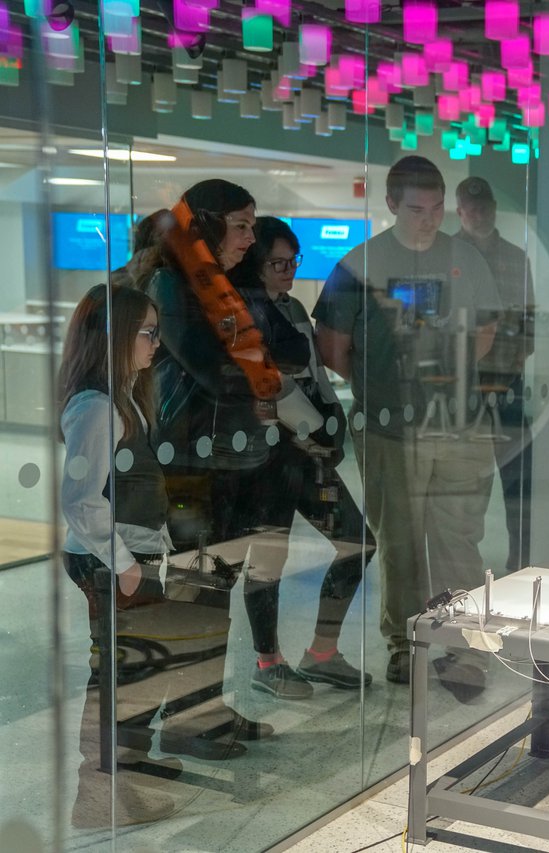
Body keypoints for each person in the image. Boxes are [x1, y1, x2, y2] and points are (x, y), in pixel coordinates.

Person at [313, 156, 501, 688]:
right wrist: (383, 387)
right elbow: (332, 348)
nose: (429, 218)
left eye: (438, 207)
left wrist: (450, 376)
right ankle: (405, 642)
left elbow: (486, 332)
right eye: (417, 209)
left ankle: (464, 644)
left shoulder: (466, 260)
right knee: (399, 540)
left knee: (458, 539)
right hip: (391, 428)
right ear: (392, 205)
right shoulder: (360, 265)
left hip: (459, 424)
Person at [142, 179, 310, 713]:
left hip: (238, 455)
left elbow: (288, 347)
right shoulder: (172, 284)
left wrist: (260, 371)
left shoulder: (231, 286)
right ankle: (192, 715)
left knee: (229, 580)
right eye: (240, 225)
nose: (249, 238)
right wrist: (262, 375)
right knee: (199, 590)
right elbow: (214, 373)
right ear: (206, 225)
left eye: (252, 226)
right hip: (190, 460)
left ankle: (212, 709)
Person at [227, 216, 373, 692]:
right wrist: (309, 427)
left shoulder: (290, 310)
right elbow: (264, 386)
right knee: (269, 558)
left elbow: (313, 374)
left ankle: (322, 652)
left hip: (306, 455)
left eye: (294, 261)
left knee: (358, 542)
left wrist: (327, 427)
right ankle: (268, 663)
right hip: (265, 457)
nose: (288, 270)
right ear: (256, 265)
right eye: (277, 262)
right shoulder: (240, 314)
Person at [59, 284, 176, 827]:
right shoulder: (98, 407)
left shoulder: (123, 398)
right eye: (147, 332)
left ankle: (125, 777)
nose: (155, 343)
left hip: (129, 554)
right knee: (119, 676)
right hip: (112, 560)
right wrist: (126, 564)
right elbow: (81, 501)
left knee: (135, 671)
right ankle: (99, 791)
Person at [454, 177, 535, 574]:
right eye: (471, 209)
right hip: (458, 386)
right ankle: (461, 565)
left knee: (519, 476)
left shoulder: (516, 259)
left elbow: (530, 323)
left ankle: (521, 558)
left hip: (506, 381)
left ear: (493, 209)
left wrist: (514, 360)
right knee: (463, 481)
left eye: (484, 207)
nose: (478, 214)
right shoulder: (443, 254)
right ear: (459, 212)